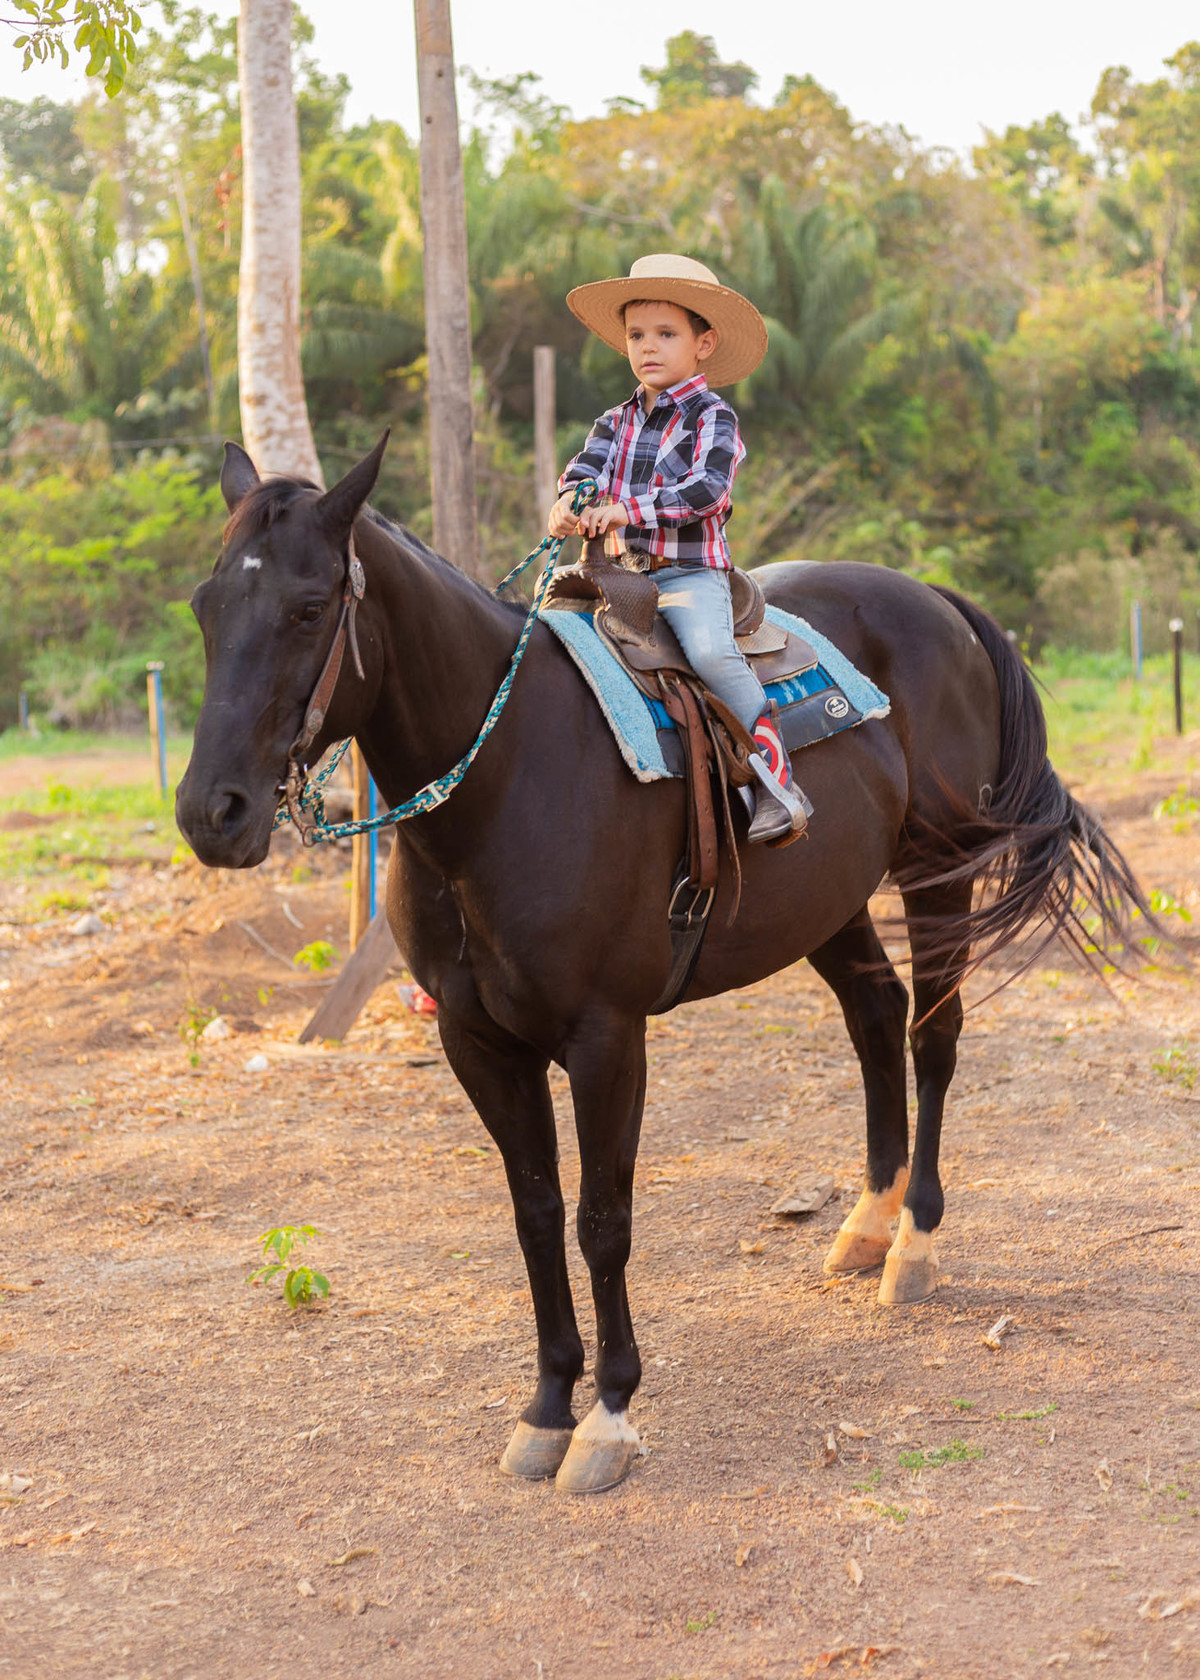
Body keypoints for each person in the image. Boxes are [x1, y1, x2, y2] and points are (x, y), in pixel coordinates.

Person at [549, 252, 810, 844]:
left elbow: (707, 489)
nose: (648, 347)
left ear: (704, 343)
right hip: (615, 574)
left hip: (688, 575)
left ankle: (773, 783)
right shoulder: (612, 423)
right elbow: (582, 473)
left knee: (711, 654)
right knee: (542, 638)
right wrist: (568, 504)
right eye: (637, 335)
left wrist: (626, 508)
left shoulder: (713, 416)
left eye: (667, 334)